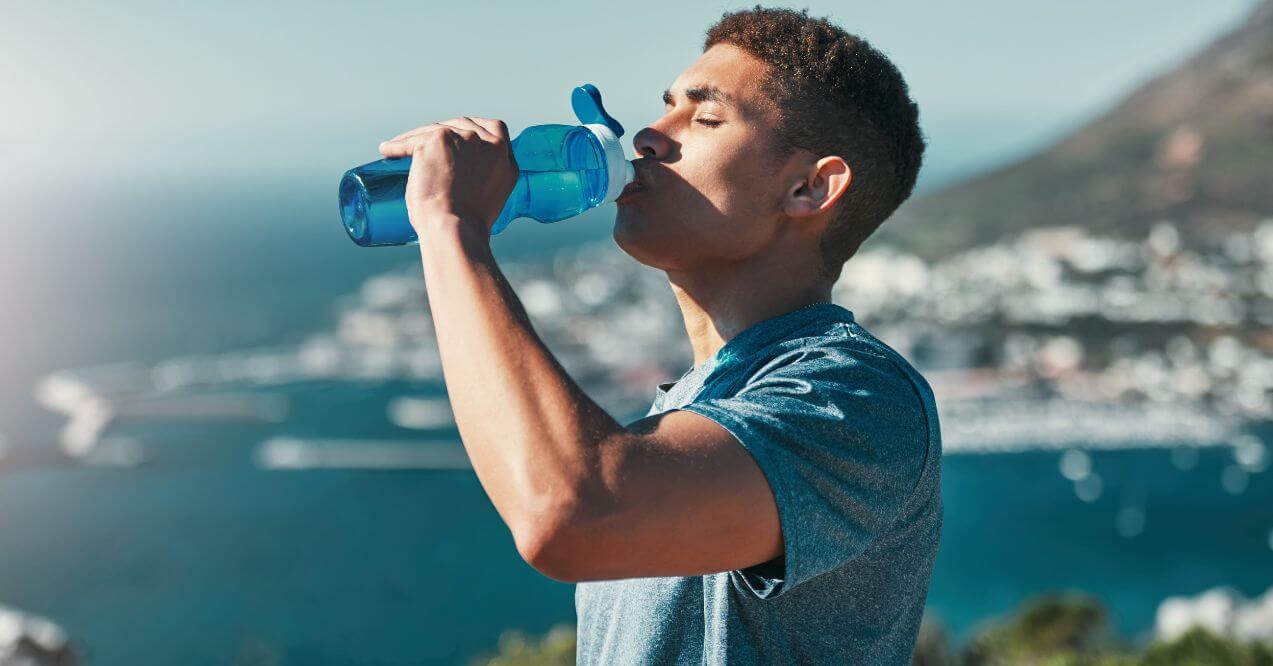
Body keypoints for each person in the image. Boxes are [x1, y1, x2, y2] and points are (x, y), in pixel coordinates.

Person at [375, 5, 940, 664]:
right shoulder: (686, 412)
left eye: (703, 118)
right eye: (664, 107)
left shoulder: (859, 399)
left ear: (810, 188)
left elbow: (568, 513)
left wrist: (450, 227)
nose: (647, 135)